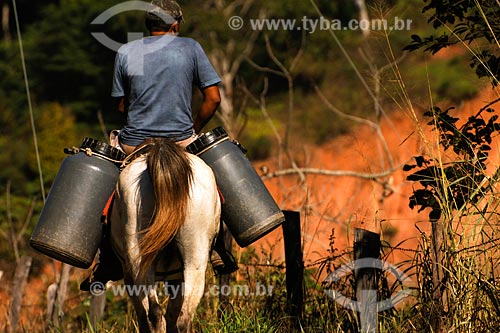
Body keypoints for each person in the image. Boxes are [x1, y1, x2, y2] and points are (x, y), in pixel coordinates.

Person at [80, 0, 237, 292]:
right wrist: (193, 130)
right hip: (181, 139)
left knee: (107, 179)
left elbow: (121, 104)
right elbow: (213, 98)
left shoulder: (128, 51)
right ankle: (217, 246)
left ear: (148, 25)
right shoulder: (190, 47)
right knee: (216, 184)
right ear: (175, 25)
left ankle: (105, 260)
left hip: (134, 143)